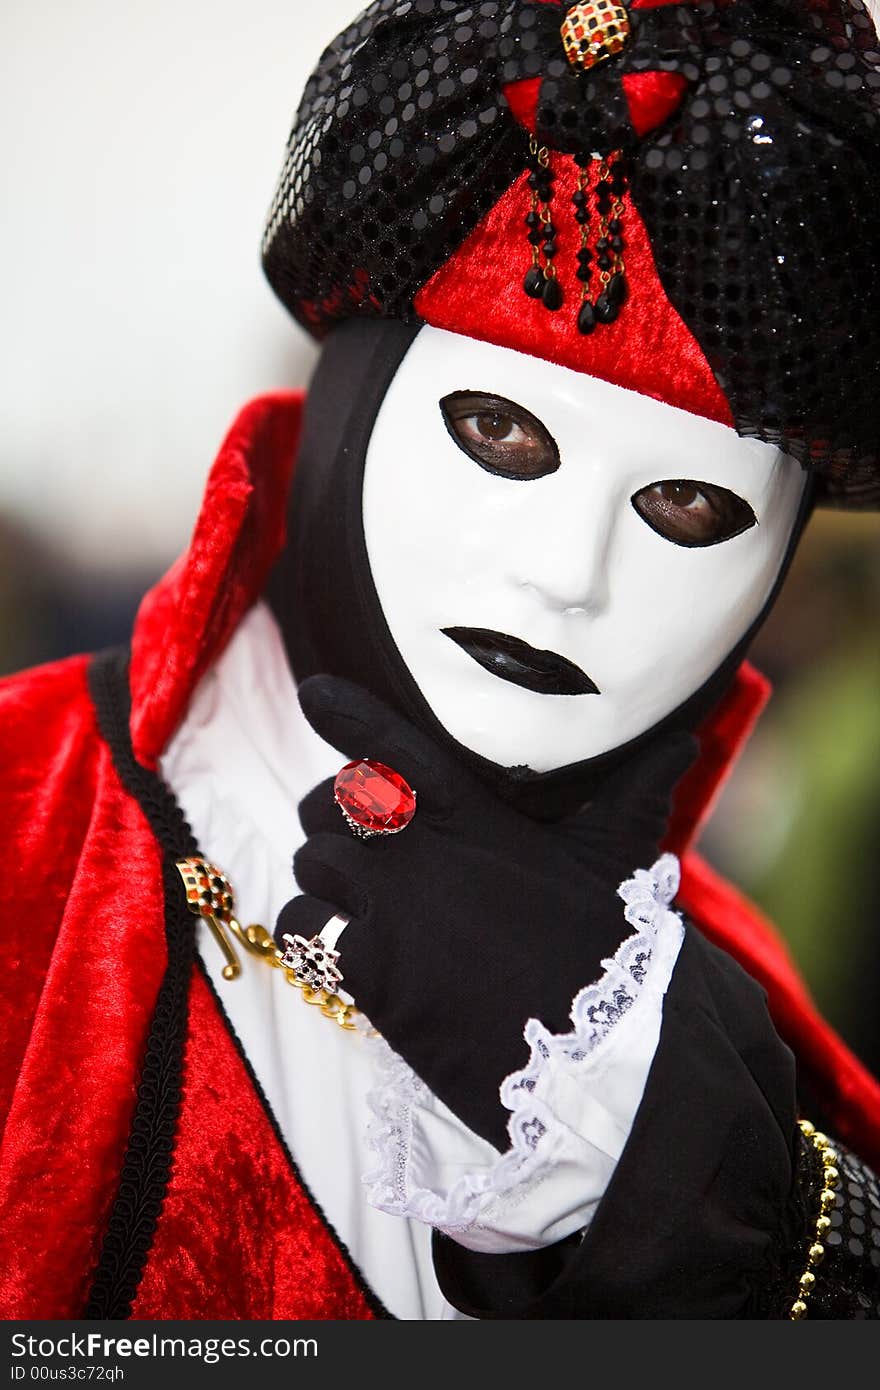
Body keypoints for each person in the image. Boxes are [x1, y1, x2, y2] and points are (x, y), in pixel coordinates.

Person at [1, 0, 879, 1320]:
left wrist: (722, 1206)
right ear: (356, 399)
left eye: (689, 505)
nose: (569, 572)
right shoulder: (27, 815)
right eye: (499, 431)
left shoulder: (729, 1032)